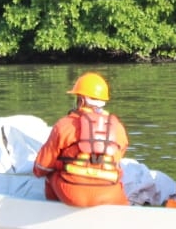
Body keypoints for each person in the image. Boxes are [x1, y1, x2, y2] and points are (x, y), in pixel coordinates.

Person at [34, 71, 129, 207]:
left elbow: (42, 167)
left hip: (74, 194)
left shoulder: (65, 124)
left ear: (82, 100)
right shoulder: (118, 128)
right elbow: (118, 158)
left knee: (49, 176)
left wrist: (53, 167)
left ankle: (54, 212)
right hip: (111, 194)